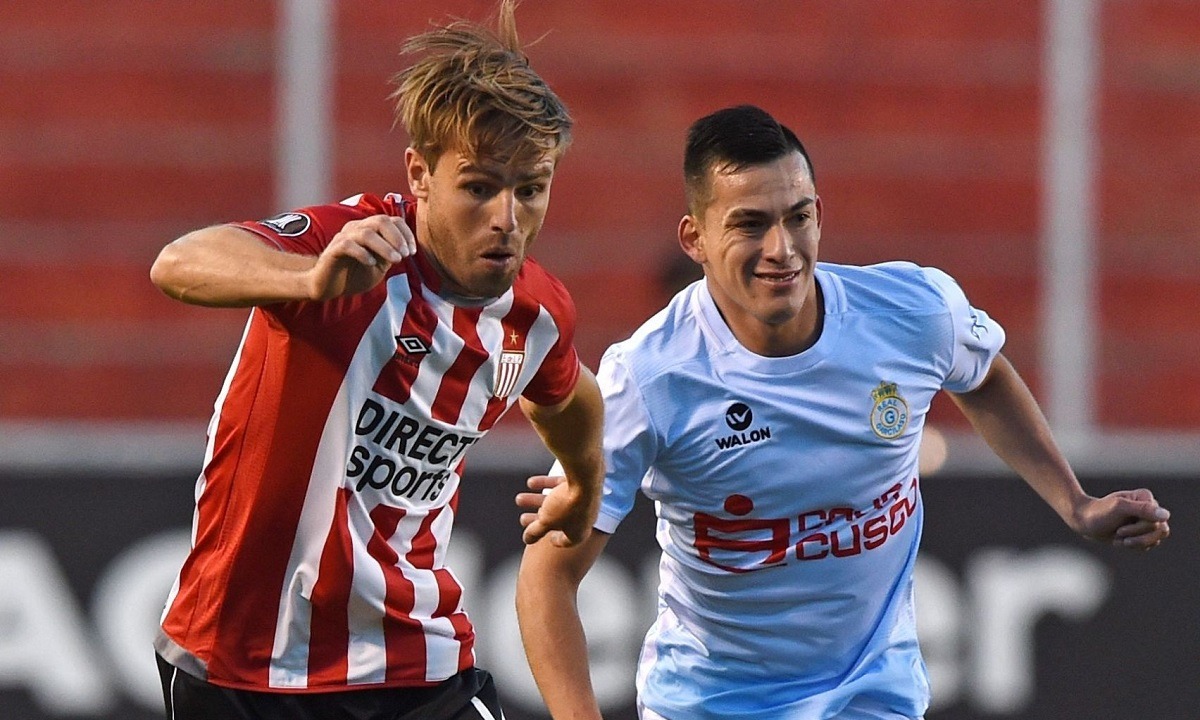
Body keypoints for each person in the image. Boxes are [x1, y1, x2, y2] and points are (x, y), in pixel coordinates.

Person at [514, 104, 1172, 720]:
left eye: (797, 217)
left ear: (819, 215)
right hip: (710, 704)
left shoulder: (913, 312)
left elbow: (985, 376)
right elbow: (547, 578)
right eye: (749, 224)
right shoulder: (647, 378)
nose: (782, 249)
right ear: (696, 238)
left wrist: (1075, 503)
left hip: (871, 694)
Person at [148, 2, 604, 719]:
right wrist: (307, 281)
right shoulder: (355, 248)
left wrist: (582, 482)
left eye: (530, 189)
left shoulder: (537, 314)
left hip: (413, 656)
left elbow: (571, 397)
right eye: (479, 187)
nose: (507, 219)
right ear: (420, 173)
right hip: (246, 661)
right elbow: (178, 262)